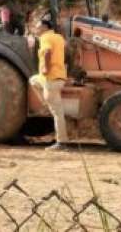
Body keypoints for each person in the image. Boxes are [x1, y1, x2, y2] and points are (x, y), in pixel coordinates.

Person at [29, 18, 69, 151]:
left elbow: (47, 52)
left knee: (57, 113)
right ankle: (46, 105)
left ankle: (61, 142)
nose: (36, 29)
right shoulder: (58, 37)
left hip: (50, 78)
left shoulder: (45, 37)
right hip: (59, 77)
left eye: (38, 27)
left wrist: (46, 67)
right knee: (33, 80)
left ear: (45, 27)